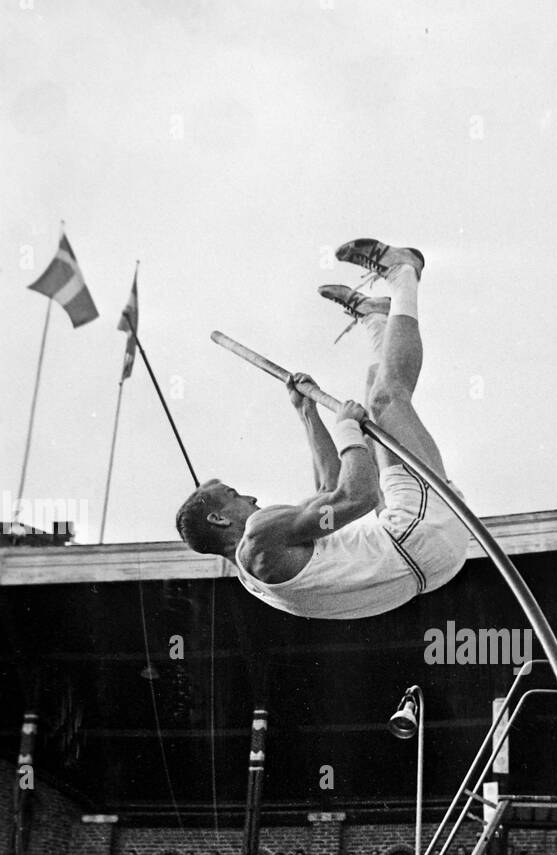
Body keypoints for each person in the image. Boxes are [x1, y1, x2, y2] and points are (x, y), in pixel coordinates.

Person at [176, 239, 470, 620]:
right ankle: (403, 273)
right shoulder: (259, 535)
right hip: (416, 535)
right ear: (218, 519)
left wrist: (307, 413)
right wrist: (345, 428)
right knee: (386, 400)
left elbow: (329, 492)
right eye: (232, 494)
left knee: (375, 391)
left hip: (432, 559)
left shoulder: (260, 569)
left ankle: (378, 319)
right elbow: (358, 496)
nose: (248, 497)